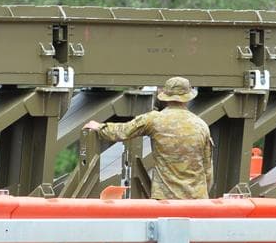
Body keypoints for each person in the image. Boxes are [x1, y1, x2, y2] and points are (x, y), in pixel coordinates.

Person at [83, 76, 213, 199]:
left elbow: (123, 131)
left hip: (166, 199)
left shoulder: (154, 119)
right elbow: (208, 171)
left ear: (164, 97)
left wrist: (99, 127)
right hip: (197, 200)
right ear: (188, 98)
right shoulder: (201, 125)